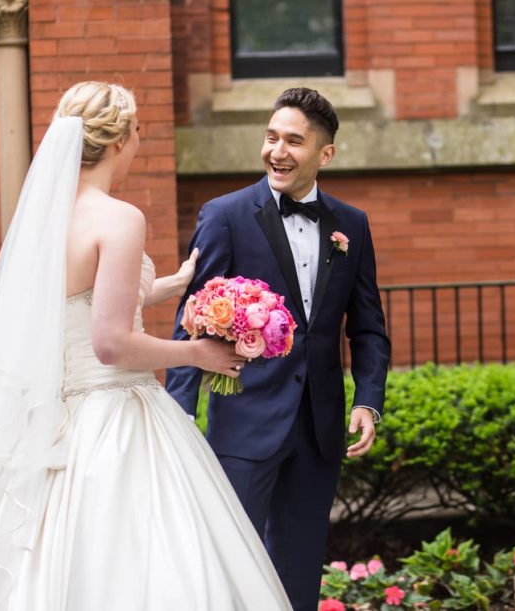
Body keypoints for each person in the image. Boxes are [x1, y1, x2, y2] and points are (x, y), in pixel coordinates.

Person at [0, 82, 291, 610]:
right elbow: (111, 343)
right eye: (139, 132)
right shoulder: (120, 217)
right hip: (115, 415)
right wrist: (198, 353)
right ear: (122, 138)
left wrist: (169, 285)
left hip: (61, 418)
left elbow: (76, 303)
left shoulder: (45, 219)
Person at [167, 87, 391, 610]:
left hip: (319, 428)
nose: (277, 151)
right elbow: (191, 323)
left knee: (299, 568)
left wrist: (368, 399)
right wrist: (179, 416)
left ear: (325, 154)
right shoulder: (224, 215)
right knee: (231, 566)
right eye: (271, 137)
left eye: (294, 141)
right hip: (244, 424)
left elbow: (368, 326)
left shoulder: (351, 225)